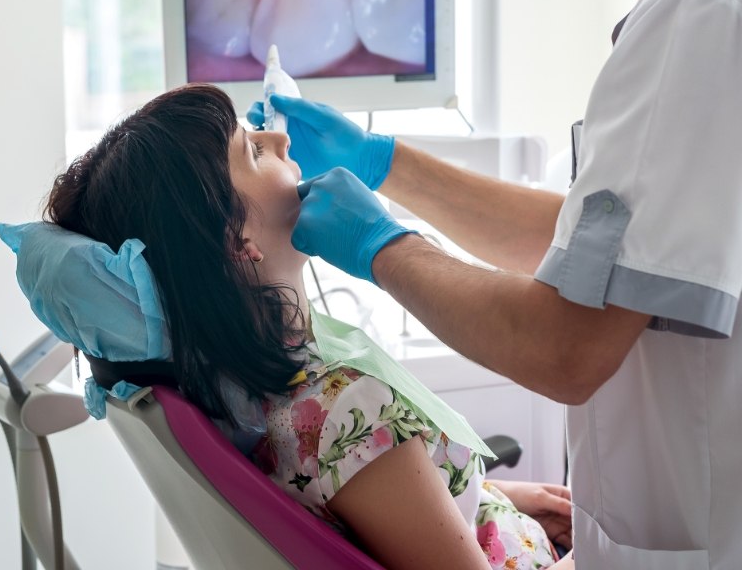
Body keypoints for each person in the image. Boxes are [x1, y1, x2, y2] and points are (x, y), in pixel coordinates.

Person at [247, 0, 742, 567]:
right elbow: (606, 255)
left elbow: (566, 349)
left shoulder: (697, 19)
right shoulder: (714, 1)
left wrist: (383, 247)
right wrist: (385, 163)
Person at [37, 83, 574, 570]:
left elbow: (371, 509)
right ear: (235, 240)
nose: (279, 139)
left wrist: (489, 499)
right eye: (252, 148)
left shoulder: (250, 398)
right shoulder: (344, 409)